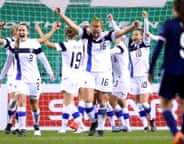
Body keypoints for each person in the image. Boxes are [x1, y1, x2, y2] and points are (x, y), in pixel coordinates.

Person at [55, 7, 140, 136]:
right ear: (90, 29)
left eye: (97, 31)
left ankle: (100, 128)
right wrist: (61, 14)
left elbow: (121, 32)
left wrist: (133, 26)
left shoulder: (107, 36)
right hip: (88, 72)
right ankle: (94, 121)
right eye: (93, 31)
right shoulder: (85, 34)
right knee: (88, 102)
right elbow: (71, 25)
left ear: (101, 29)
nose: (95, 34)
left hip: (104, 73)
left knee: (102, 101)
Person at [148, 0, 184, 144]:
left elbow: (158, 48)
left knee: (164, 104)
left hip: (171, 69)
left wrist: (151, 69)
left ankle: (176, 133)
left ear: (175, 9)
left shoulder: (169, 25)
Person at [0, 23, 58, 136]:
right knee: (21, 102)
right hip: (20, 79)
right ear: (17, 32)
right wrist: (0, 77)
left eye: (23, 30)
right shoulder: (13, 46)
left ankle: (36, 125)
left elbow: (43, 59)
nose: (21, 32)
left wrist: (50, 72)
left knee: (34, 105)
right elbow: (8, 63)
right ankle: (22, 129)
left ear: (27, 32)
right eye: (20, 30)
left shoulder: (34, 44)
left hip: (34, 79)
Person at [35, 23, 88, 134]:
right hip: (77, 76)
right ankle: (63, 127)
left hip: (68, 77)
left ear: (66, 35)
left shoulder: (65, 45)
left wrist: (41, 31)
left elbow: (47, 43)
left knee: (69, 104)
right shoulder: (80, 44)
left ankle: (81, 125)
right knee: (66, 103)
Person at [106, 13, 131, 132]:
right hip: (119, 80)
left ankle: (122, 124)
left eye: (117, 36)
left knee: (110, 102)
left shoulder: (121, 48)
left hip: (122, 80)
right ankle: (125, 126)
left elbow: (109, 52)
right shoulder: (115, 49)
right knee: (120, 103)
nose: (115, 37)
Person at [0, 22, 19, 135]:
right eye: (19, 30)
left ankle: (18, 126)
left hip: (23, 76)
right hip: (12, 75)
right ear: (14, 32)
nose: (21, 32)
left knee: (21, 101)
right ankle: (9, 123)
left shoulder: (26, 43)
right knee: (13, 101)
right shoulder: (9, 41)